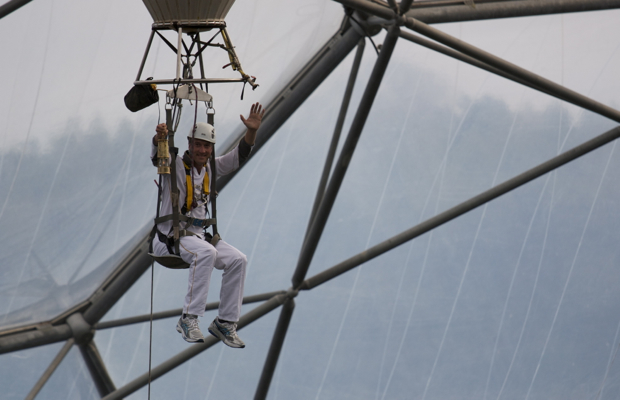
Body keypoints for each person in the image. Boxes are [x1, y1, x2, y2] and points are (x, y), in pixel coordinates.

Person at [150, 102, 265, 347]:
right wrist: (159, 139)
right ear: (190, 145)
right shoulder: (176, 165)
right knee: (207, 252)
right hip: (170, 239)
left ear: (211, 149)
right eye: (198, 145)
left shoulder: (212, 167)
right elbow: (159, 157)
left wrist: (252, 131)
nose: (202, 150)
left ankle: (225, 322)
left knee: (238, 259)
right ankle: (188, 318)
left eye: (206, 146)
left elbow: (239, 156)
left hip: (198, 238)